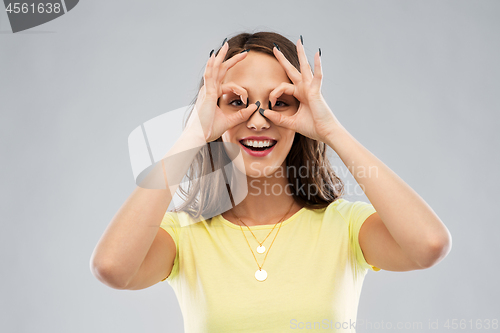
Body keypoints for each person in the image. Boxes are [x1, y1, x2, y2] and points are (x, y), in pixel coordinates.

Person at [90, 31, 452, 332]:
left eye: (280, 103)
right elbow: (112, 268)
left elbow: (429, 244)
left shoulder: (344, 226)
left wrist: (331, 131)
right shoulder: (185, 234)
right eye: (237, 102)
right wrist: (191, 136)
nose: (259, 121)